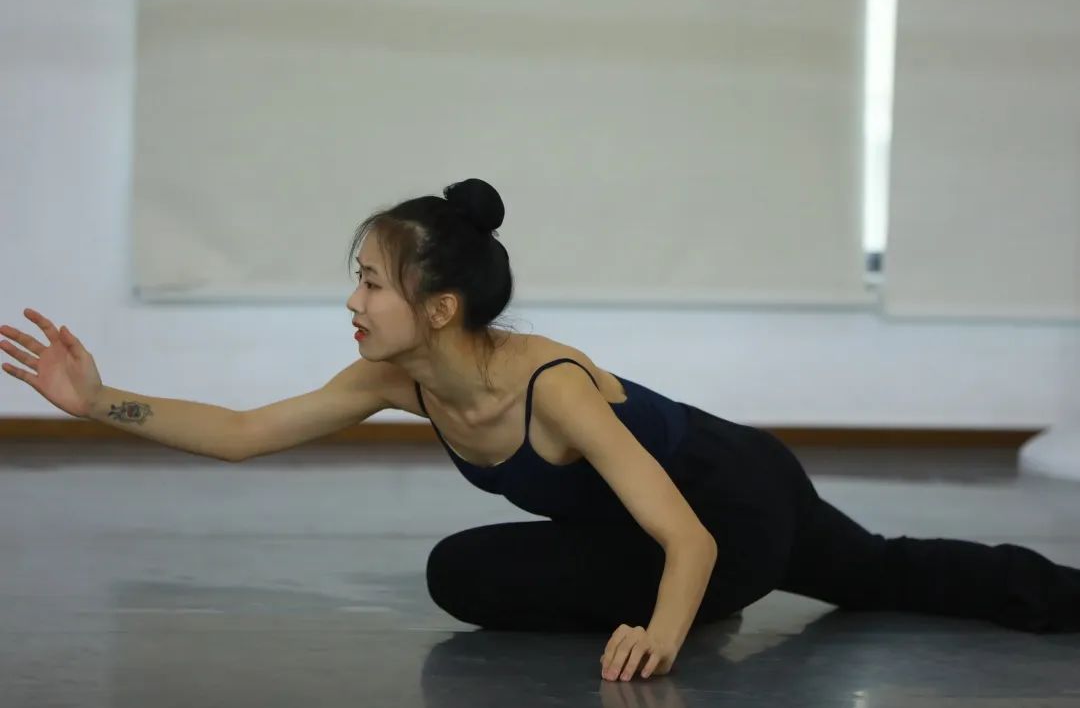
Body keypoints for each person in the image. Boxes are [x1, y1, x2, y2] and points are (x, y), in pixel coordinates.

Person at [3, 178, 1078, 685]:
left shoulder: (551, 387)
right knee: (462, 574)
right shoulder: (394, 379)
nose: (353, 302)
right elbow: (245, 430)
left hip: (736, 502)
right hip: (645, 530)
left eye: (371, 283)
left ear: (440, 308)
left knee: (879, 573)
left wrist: (665, 635)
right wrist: (101, 402)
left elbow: (688, 535)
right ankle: (690, 600)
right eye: (357, 278)